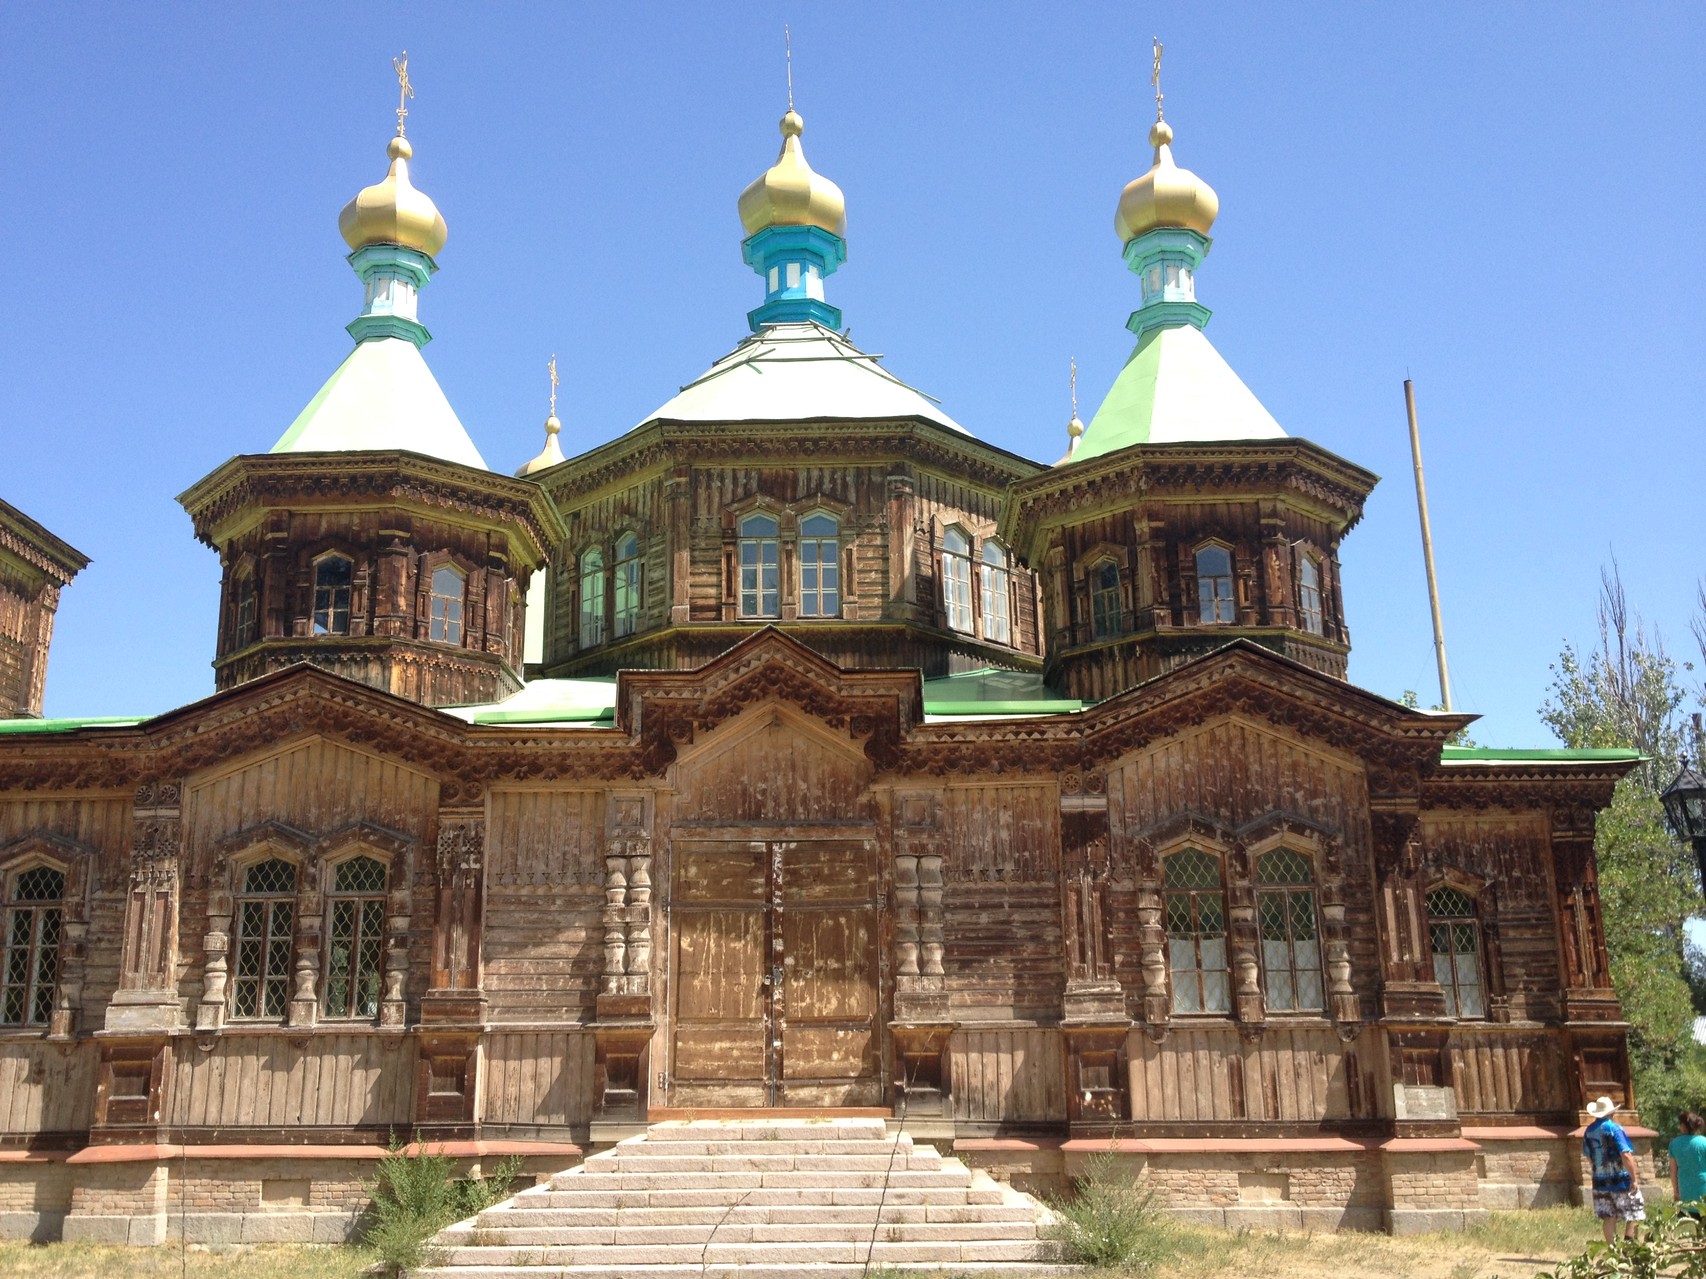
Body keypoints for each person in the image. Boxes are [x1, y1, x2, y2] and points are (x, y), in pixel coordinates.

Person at [1584, 1096, 1645, 1243]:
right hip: (1620, 1179)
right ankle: (1630, 1246)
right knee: (1635, 1211)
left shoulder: (1589, 1131)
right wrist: (1634, 1179)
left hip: (1599, 1181)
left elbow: (1588, 1155)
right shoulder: (1614, 1128)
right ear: (1611, 1112)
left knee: (1608, 1216)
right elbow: (1625, 1154)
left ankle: (1613, 1251)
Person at [1670, 1111, 1706, 1218]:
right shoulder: (1704, 1142)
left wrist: (1676, 1192)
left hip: (1686, 1191)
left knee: (1696, 1222)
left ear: (1682, 1126)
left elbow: (1673, 1171)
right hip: (1703, 1187)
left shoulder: (1674, 1144)